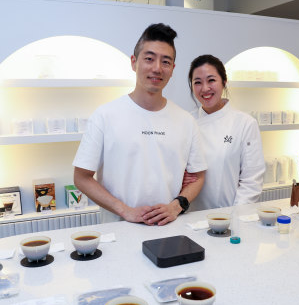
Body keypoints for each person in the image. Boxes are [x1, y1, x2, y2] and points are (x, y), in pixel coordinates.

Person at [72, 23, 207, 225]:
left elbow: (198, 177)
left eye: (166, 62)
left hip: (169, 228)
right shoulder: (105, 116)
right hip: (119, 230)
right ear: (134, 62)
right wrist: (125, 211)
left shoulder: (186, 121)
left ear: (172, 69)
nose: (157, 68)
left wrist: (175, 206)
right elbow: (81, 177)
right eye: (149, 59)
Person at [183, 54, 265, 211]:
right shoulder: (186, 121)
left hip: (228, 216)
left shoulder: (245, 123)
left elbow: (251, 181)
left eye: (211, 80)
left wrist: (233, 216)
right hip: (190, 215)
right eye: (197, 82)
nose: (205, 88)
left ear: (224, 82)